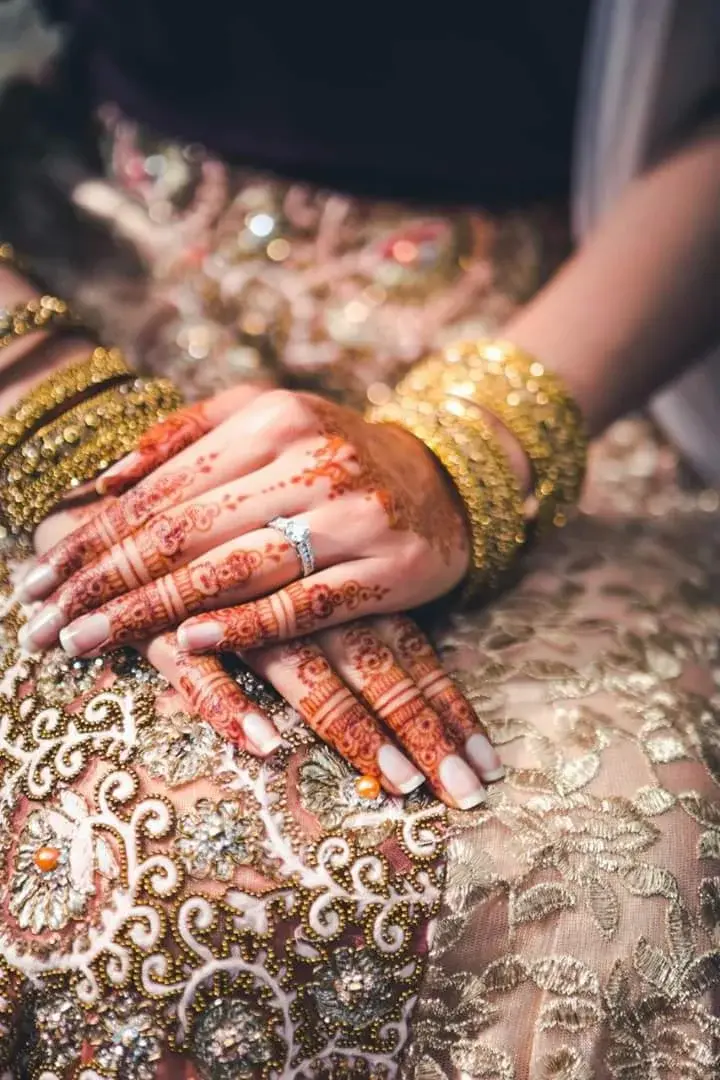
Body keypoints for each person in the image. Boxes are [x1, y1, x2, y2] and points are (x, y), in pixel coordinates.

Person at [0, 1, 717, 1077]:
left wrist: (477, 439)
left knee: (606, 867)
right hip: (67, 282)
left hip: (595, 322)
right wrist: (55, 415)